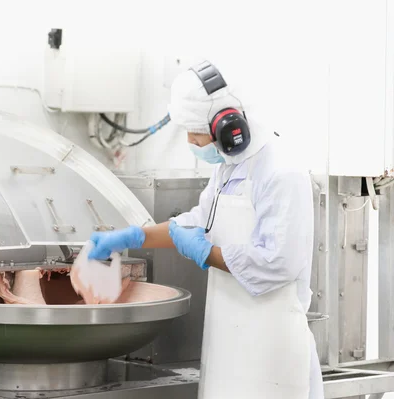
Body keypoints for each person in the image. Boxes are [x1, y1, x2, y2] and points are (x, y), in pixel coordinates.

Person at [87, 60, 323, 399]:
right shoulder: (229, 167)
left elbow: (277, 263)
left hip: (271, 351)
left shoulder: (281, 172)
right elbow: (199, 222)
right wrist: (134, 236)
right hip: (230, 341)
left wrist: (204, 253)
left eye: (194, 131)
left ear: (228, 126)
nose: (191, 141)